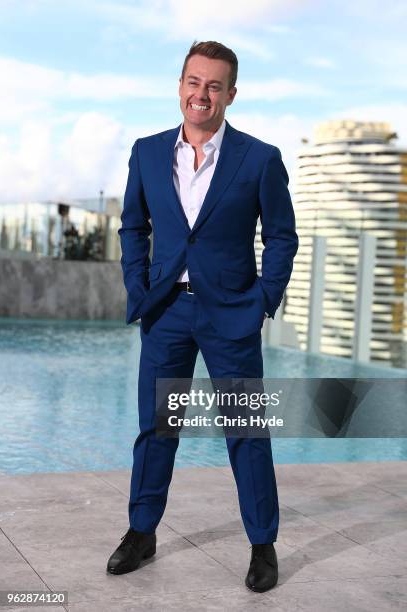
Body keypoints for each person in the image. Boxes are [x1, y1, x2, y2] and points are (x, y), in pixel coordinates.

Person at [107, 40, 298, 593]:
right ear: (180, 86)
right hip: (166, 311)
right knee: (157, 428)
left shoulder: (259, 158)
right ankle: (142, 533)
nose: (202, 94)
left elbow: (281, 236)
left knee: (245, 430)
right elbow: (132, 227)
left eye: (215, 85)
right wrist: (138, 285)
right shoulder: (146, 152)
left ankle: (263, 546)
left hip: (231, 314)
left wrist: (263, 299)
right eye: (194, 81)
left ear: (231, 95)